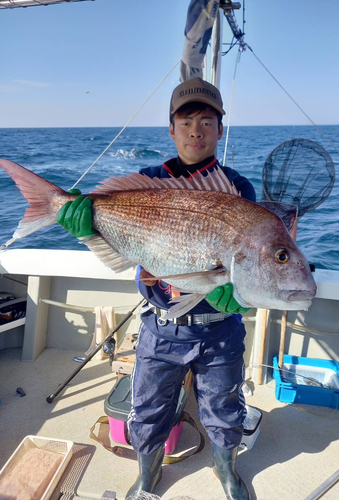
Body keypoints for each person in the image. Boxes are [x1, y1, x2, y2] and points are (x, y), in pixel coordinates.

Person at [57, 77, 256, 500]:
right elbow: (126, 244)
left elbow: (249, 258)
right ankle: (148, 478)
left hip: (220, 327)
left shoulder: (239, 189)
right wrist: (85, 223)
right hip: (161, 326)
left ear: (220, 128)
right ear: (171, 129)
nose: (196, 130)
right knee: (147, 408)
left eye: (206, 121)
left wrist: (236, 291)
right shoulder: (147, 181)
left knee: (224, 407)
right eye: (186, 121)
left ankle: (227, 473)